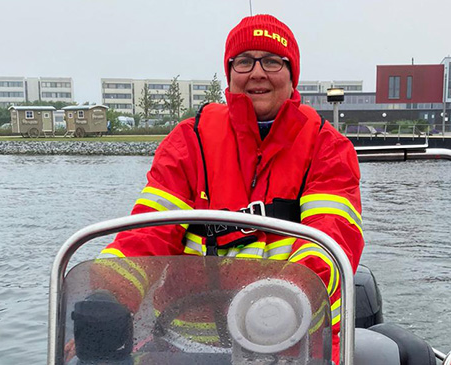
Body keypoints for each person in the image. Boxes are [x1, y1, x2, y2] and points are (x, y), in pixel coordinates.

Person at [95, 14, 363, 363]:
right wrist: (104, 298)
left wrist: (285, 302)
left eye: (271, 61)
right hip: (184, 345)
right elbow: (147, 233)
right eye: (244, 61)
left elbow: (333, 237)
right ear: (230, 71)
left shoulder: (326, 146)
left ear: (291, 73)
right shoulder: (189, 141)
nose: (257, 72)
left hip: (296, 345)